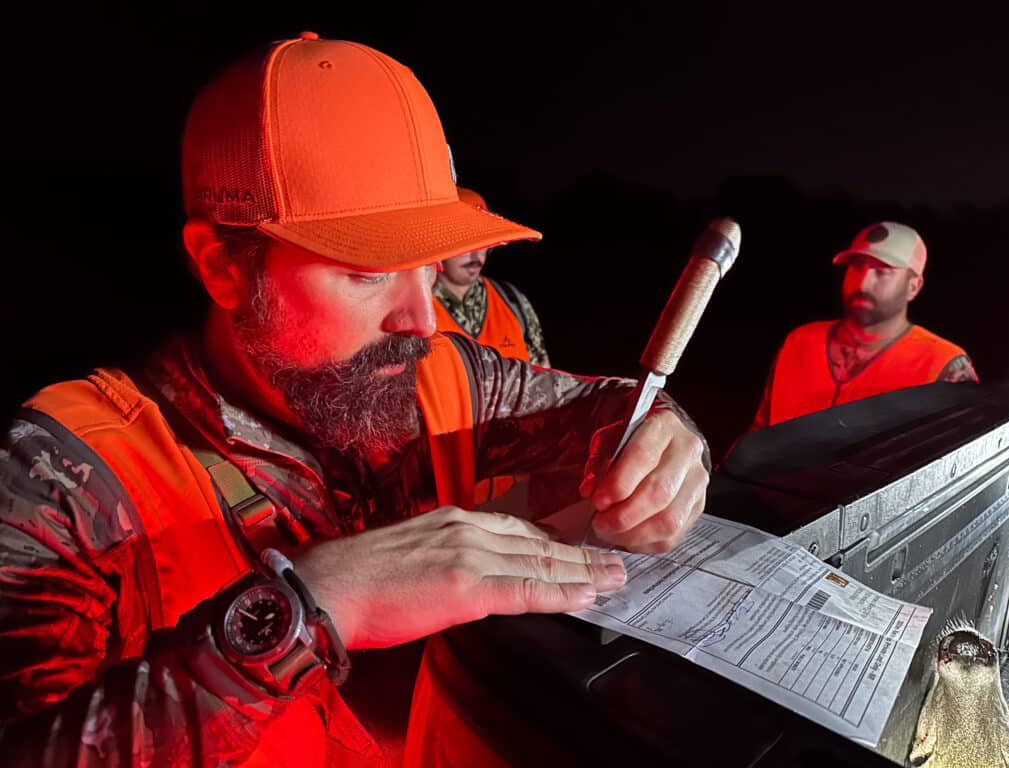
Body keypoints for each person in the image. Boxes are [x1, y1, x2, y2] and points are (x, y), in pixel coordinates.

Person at [0, 33, 710, 766]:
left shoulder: (442, 376)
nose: (422, 321)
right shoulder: (63, 480)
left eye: (430, 265)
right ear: (223, 268)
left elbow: (608, 409)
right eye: (370, 272)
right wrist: (305, 608)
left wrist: (670, 440)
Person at [749, 221, 978, 430]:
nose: (863, 282)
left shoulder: (942, 364)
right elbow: (757, 436)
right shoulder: (800, 342)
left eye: (882, 271)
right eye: (857, 267)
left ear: (913, 286)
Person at [432, 187, 551, 366]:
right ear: (438, 241)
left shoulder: (512, 302)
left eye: (484, 240)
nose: (477, 254)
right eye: (466, 239)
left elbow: (543, 380)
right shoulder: (417, 311)